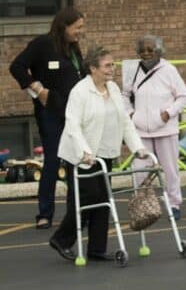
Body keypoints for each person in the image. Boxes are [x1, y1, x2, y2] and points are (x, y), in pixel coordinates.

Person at [48, 46, 142, 263]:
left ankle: (97, 249)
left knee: (103, 198)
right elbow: (73, 125)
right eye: (107, 65)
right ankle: (61, 239)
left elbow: (125, 121)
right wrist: (85, 152)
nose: (112, 69)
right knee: (87, 198)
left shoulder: (114, 89)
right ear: (93, 68)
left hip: (105, 152)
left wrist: (138, 148)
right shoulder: (80, 92)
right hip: (80, 155)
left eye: (113, 65)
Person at [9, 5, 88, 228]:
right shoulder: (42, 44)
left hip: (73, 112)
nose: (79, 32)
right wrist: (37, 89)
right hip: (50, 112)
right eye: (77, 27)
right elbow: (17, 67)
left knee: (75, 160)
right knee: (53, 160)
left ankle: (76, 212)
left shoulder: (73, 49)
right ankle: (45, 213)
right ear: (64, 26)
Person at [125, 35, 186, 218]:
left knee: (170, 169)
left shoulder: (169, 70)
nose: (146, 54)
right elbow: (124, 95)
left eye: (150, 50)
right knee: (140, 170)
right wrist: (130, 114)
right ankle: (143, 205)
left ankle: (174, 204)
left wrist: (168, 113)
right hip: (141, 131)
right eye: (142, 50)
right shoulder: (133, 70)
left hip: (165, 129)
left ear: (159, 51)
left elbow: (184, 97)